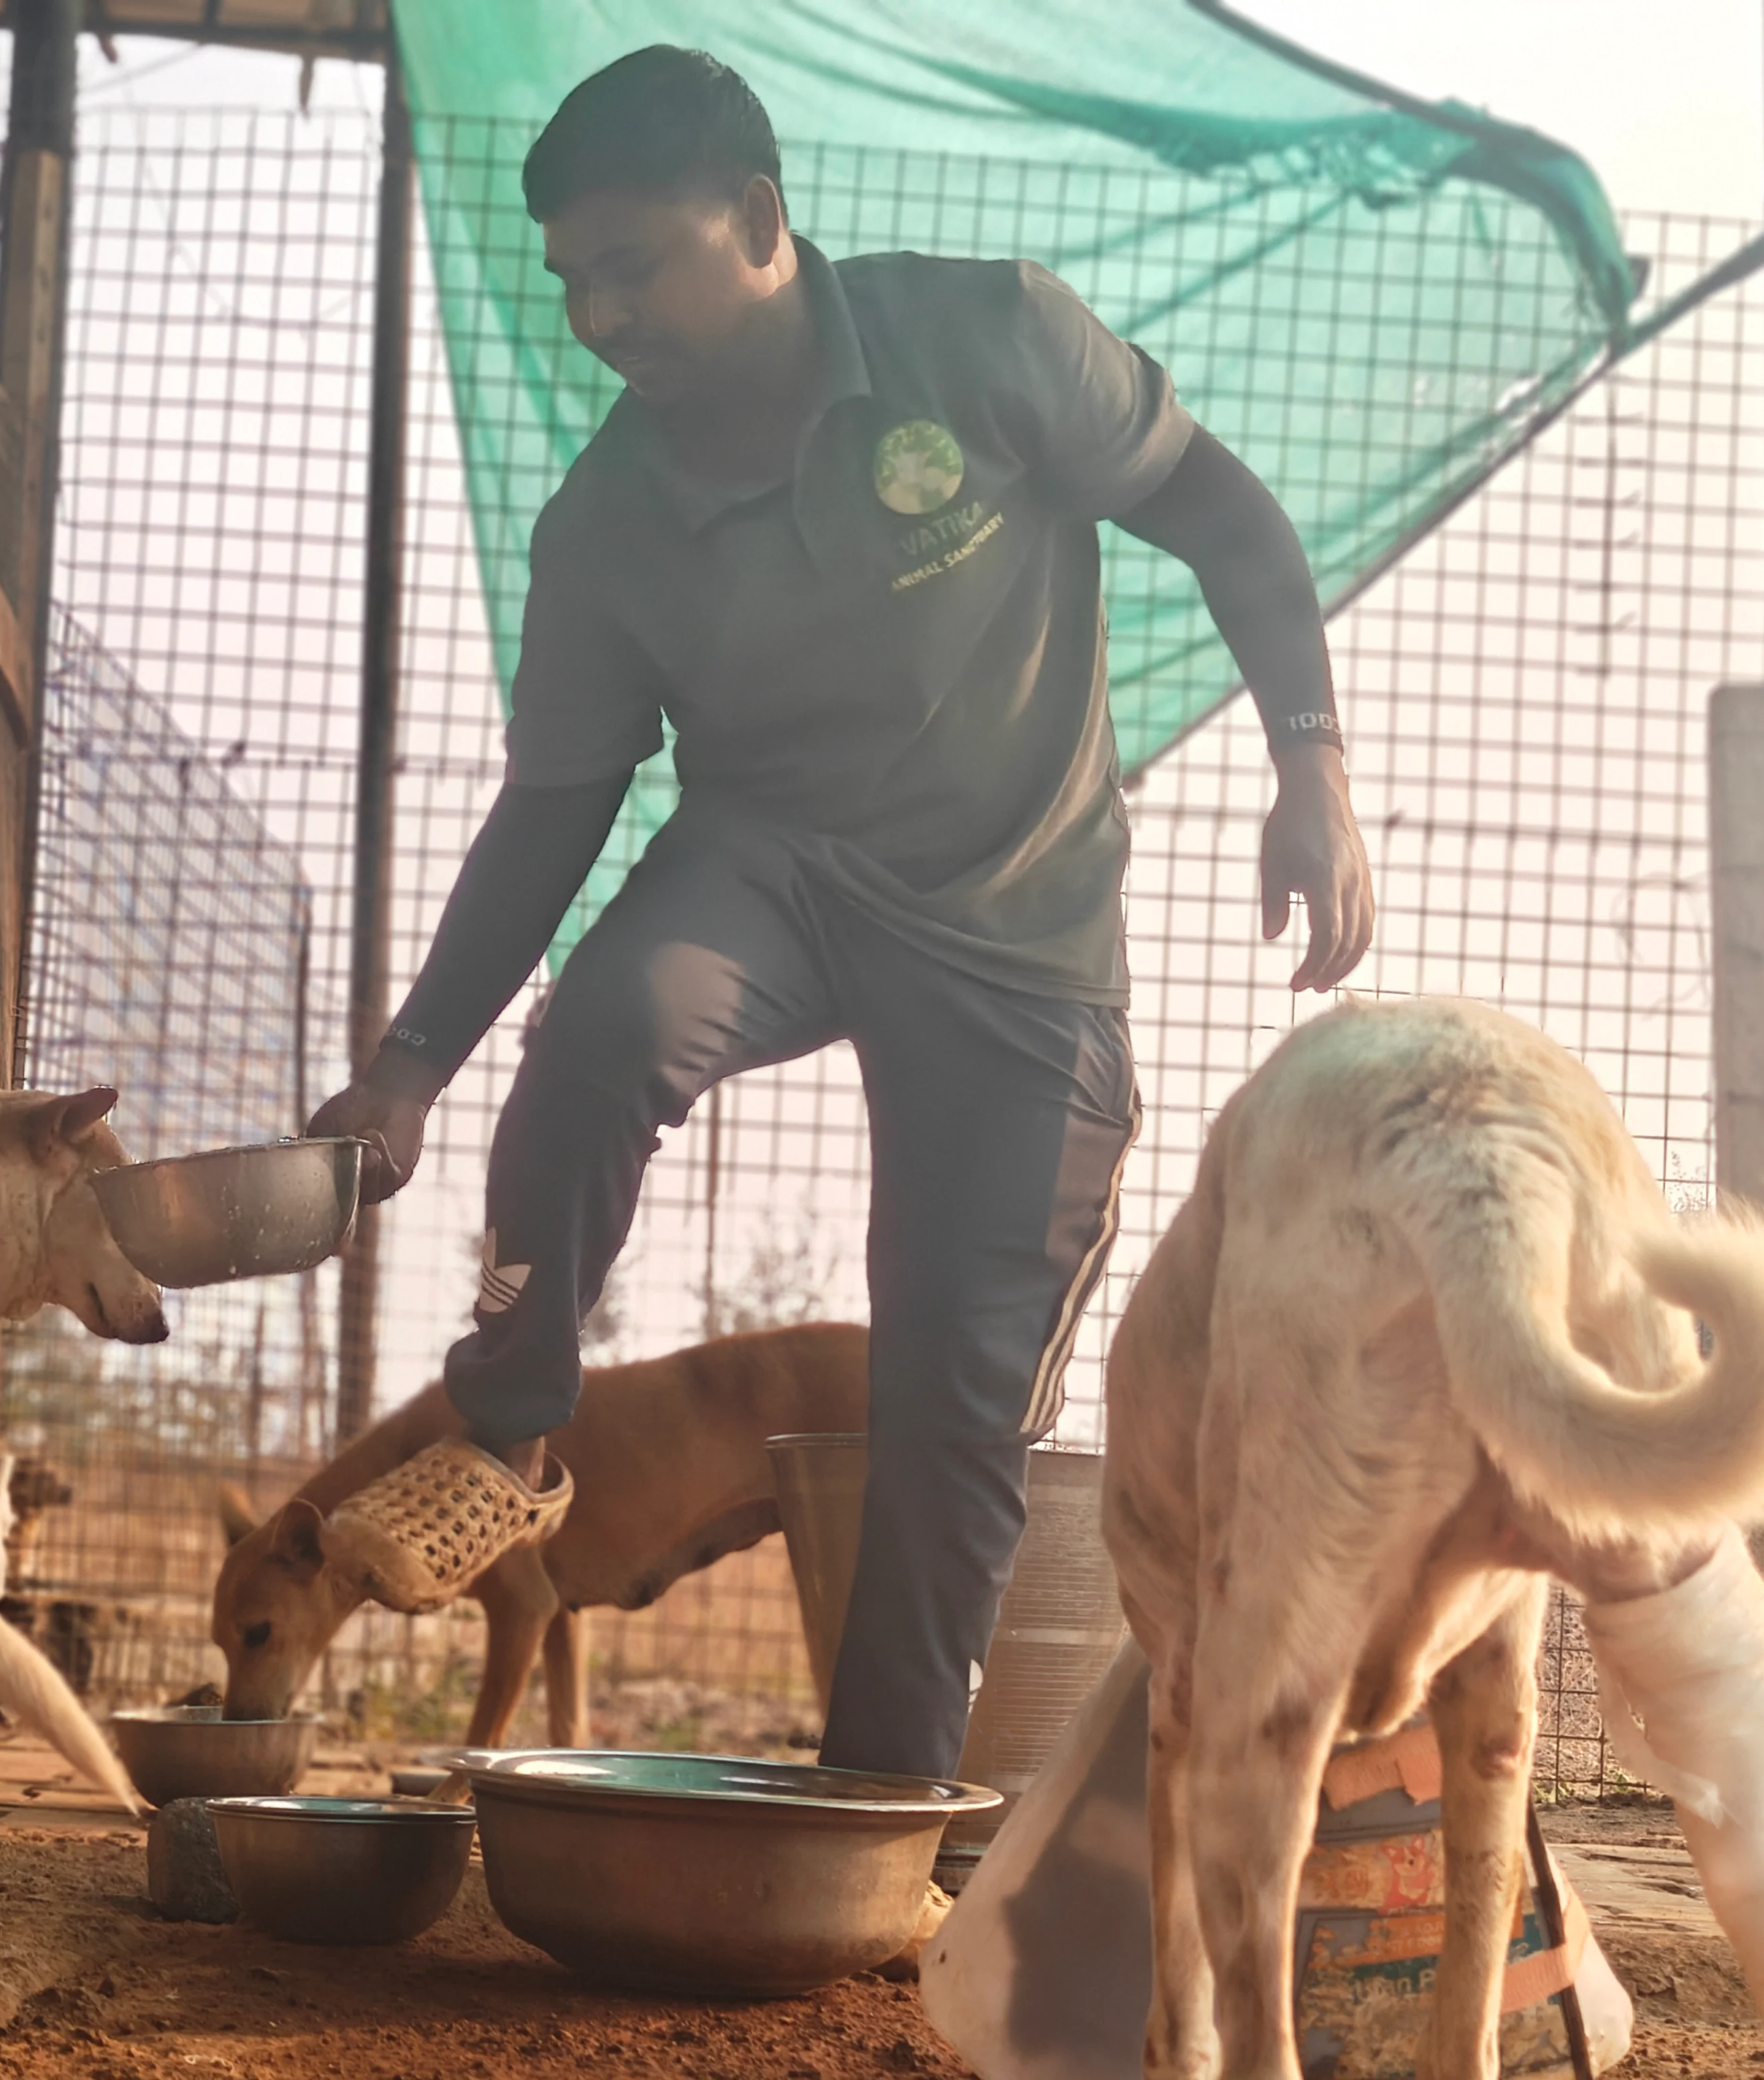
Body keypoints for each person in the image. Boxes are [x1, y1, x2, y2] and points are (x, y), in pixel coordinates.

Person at [309, 45, 1373, 1781]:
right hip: (772, 872)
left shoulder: (994, 341)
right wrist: (414, 1061)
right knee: (608, 1022)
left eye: (630, 266)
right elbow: (555, 805)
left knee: (947, 1408)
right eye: (569, 280)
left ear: (756, 219)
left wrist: (1309, 763)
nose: (595, 315)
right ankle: (507, 1435)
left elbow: (1229, 525)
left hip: (1019, 932)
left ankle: (871, 1808)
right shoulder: (602, 528)